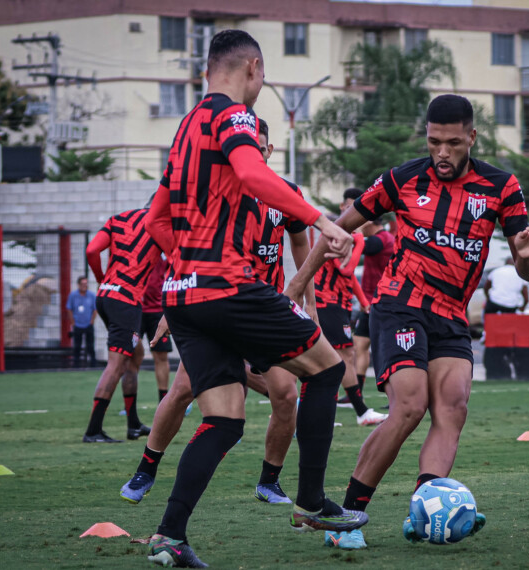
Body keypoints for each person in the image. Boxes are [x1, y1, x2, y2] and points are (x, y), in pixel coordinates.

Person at [141, 30, 365, 568]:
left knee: (223, 419)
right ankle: (310, 501)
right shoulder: (233, 115)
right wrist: (320, 219)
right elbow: (249, 169)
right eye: (262, 79)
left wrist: (188, 266)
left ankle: (170, 535)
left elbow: (156, 220)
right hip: (229, 286)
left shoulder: (184, 129)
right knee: (328, 371)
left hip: (183, 295)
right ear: (254, 68)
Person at [285, 94, 529, 550]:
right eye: (433, 142)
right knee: (408, 406)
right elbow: (335, 230)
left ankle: (428, 507)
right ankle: (347, 518)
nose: (442, 153)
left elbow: (526, 266)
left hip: (451, 317)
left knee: (453, 406)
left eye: (452, 143)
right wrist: (296, 290)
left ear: (471, 137)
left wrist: (526, 260)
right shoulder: (402, 177)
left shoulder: (502, 187)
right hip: (400, 305)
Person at [118, 118, 319, 507]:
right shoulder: (215, 193)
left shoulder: (286, 193)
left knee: (286, 393)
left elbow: (302, 246)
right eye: (245, 147)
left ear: (269, 151)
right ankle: (146, 469)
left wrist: (309, 301)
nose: (253, 153)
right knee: (181, 391)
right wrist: (168, 310)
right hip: (214, 306)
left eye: (259, 147)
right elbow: (187, 252)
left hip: (264, 311)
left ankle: (269, 481)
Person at [82, 207, 160, 443]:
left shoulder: (119, 219)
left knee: (135, 355)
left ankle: (133, 424)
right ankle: (93, 431)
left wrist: (100, 278)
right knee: (116, 364)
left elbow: (92, 250)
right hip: (126, 300)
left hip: (105, 296)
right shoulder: (159, 224)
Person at [315, 188, 387, 426]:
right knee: (345, 355)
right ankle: (361, 411)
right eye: (351, 206)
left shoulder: (349, 234)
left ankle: (311, 413)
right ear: (344, 209)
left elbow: (349, 278)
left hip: (338, 303)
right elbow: (346, 268)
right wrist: (356, 241)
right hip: (327, 302)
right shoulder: (338, 233)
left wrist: (364, 303)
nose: (357, 211)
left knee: (333, 358)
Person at [349, 209, 394, 399]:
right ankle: (356, 393)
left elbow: (356, 245)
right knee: (360, 346)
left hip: (381, 301)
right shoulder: (383, 238)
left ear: (370, 223)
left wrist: (357, 226)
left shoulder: (382, 239)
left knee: (383, 348)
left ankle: (393, 394)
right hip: (369, 301)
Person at [140, 255, 171, 401]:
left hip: (157, 311)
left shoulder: (164, 244)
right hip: (134, 309)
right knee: (127, 358)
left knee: (161, 357)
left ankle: (163, 401)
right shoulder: (136, 243)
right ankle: (129, 409)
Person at [66, 276, 97, 368]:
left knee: (90, 346)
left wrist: (91, 321)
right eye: (82, 284)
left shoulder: (92, 295)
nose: (84, 285)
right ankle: (76, 365)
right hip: (77, 325)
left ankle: (93, 365)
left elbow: (95, 309)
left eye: (86, 283)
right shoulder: (73, 295)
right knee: (77, 346)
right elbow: (69, 309)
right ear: (78, 285)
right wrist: (73, 322)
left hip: (88, 324)